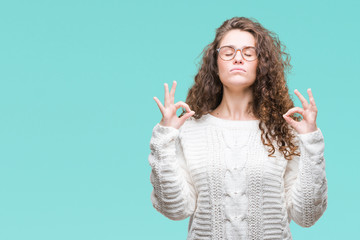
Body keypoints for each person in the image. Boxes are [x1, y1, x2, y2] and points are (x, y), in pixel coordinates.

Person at [148, 17, 327, 240]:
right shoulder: (190, 129)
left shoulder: (284, 131)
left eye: (249, 52)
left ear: (261, 63)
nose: (238, 58)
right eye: (228, 52)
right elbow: (175, 210)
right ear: (215, 62)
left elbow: (307, 215)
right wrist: (164, 136)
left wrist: (311, 141)